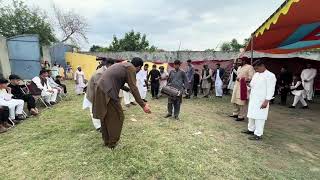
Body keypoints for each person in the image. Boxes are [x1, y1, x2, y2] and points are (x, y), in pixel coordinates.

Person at [92, 57, 151, 149]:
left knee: (105, 116)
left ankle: (106, 140)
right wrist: (143, 105)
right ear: (139, 67)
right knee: (119, 116)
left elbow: (118, 81)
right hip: (109, 91)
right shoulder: (131, 68)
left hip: (100, 88)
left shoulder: (122, 65)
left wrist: (128, 90)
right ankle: (112, 143)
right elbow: (134, 87)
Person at [242, 60, 276, 141]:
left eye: (257, 68)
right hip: (253, 98)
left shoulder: (270, 75)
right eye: (255, 69)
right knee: (251, 115)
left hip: (262, 100)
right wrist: (247, 85)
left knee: (259, 117)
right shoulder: (256, 74)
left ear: (262, 66)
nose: (256, 70)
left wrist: (266, 101)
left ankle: (258, 134)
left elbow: (271, 90)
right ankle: (250, 129)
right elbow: (252, 85)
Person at [84, 58, 115, 131]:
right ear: (109, 65)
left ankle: (103, 124)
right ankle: (98, 127)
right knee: (94, 110)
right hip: (93, 94)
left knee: (101, 109)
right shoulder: (100, 73)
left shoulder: (107, 71)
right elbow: (100, 88)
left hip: (99, 94)